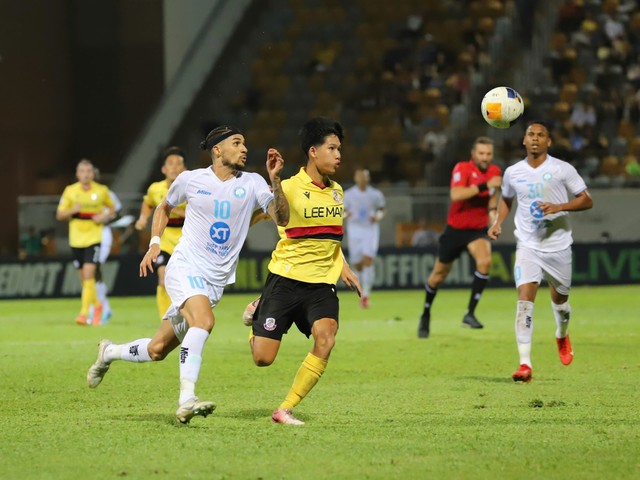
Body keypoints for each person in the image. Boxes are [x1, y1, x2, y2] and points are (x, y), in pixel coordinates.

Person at [86, 126, 289, 424]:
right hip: (185, 266)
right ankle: (186, 399)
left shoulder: (254, 182)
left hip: (214, 281)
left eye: (245, 143)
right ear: (217, 150)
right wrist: (155, 244)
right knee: (204, 322)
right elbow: (163, 207)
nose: (245, 148)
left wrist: (275, 181)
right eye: (237, 143)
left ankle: (108, 352)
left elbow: (282, 218)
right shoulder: (191, 179)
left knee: (158, 349)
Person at [250, 117, 362, 426]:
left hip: (321, 284)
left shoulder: (337, 192)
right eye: (332, 148)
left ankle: (284, 409)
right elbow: (282, 220)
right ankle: (258, 315)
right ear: (313, 152)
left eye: (339, 148)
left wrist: (343, 266)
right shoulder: (289, 186)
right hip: (285, 280)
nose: (338, 155)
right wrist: (274, 181)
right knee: (263, 358)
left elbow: (330, 239)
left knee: (326, 338)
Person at [488, 121, 593, 383]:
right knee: (524, 303)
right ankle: (525, 364)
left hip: (558, 246)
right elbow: (506, 199)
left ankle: (561, 334)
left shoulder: (561, 169)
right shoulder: (513, 172)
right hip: (528, 246)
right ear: (524, 141)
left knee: (561, 305)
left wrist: (560, 207)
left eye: (541, 135)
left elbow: (586, 199)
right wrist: (498, 222)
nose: (535, 139)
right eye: (530, 135)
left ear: (549, 142)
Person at [418, 137, 502, 338]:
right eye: (481, 153)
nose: (485, 157)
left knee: (485, 262)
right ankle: (426, 313)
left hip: (477, 230)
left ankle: (470, 313)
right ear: (473, 154)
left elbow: (492, 200)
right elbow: (456, 194)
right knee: (438, 276)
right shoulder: (462, 168)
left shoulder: (495, 172)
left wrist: (494, 219)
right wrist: (484, 185)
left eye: (488, 154)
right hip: (455, 230)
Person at [56, 159, 116, 326]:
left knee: (89, 274)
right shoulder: (70, 191)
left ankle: (83, 314)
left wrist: (103, 216)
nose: (85, 174)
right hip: (76, 239)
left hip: (94, 239)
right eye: (82, 171)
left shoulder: (102, 190)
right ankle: (97, 306)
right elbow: (59, 215)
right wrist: (72, 210)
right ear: (77, 174)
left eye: (88, 171)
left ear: (93, 173)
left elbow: (112, 208)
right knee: (84, 280)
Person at [135, 147, 187, 320]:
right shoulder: (155, 189)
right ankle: (166, 319)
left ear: (184, 168)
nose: (174, 167)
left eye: (179, 164)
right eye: (170, 164)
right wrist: (143, 218)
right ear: (164, 169)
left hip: (186, 241)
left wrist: (171, 210)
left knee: (184, 283)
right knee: (163, 279)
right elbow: (148, 203)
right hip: (164, 240)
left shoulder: (191, 188)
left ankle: (185, 315)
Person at [343, 168, 385, 308]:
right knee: (358, 264)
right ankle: (362, 289)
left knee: (368, 260)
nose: (362, 179)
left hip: (370, 230)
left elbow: (381, 209)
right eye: (359, 176)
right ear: (355, 178)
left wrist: (377, 217)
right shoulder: (348, 195)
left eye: (364, 176)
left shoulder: (375, 194)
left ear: (368, 178)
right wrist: (345, 215)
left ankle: (366, 295)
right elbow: (342, 211)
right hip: (355, 230)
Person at [91, 167, 123, 324]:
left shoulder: (106, 193)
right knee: (87, 272)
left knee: (94, 268)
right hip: (83, 235)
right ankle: (103, 306)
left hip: (102, 234)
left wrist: (104, 218)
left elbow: (118, 212)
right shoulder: (79, 194)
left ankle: (98, 308)